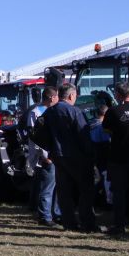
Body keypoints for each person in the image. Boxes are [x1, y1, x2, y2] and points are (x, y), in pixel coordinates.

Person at [39, 83, 97, 231]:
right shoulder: (74, 111)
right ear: (71, 95)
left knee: (64, 191)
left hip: (57, 157)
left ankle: (69, 222)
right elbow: (83, 135)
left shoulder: (48, 112)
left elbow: (38, 133)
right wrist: (90, 155)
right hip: (77, 157)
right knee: (85, 189)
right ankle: (87, 223)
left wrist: (50, 149)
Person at [102, 81, 129, 235]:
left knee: (119, 193)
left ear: (118, 95)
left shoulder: (113, 111)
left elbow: (106, 130)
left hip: (119, 160)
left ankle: (119, 226)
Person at [27, 86, 58, 226]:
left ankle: (54, 213)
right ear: (52, 97)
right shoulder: (36, 113)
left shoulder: (54, 111)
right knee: (46, 187)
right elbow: (35, 138)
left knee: (54, 187)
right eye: (57, 96)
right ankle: (45, 215)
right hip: (45, 157)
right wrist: (44, 156)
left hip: (54, 155)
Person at [90, 105, 112, 207]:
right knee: (106, 179)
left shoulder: (90, 124)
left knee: (98, 179)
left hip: (93, 156)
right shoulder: (103, 127)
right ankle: (107, 201)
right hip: (103, 156)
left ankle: (94, 199)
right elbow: (108, 142)